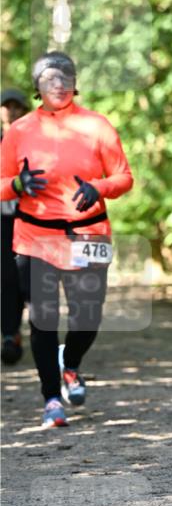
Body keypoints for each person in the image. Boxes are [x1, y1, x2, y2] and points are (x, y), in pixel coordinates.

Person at [0, 52, 133, 428]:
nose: (58, 83)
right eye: (49, 77)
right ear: (37, 86)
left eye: (66, 76)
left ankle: (70, 364)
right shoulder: (19, 131)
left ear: (76, 82)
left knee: (88, 316)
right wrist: (16, 185)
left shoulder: (97, 126)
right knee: (42, 319)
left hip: (88, 231)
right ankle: (51, 400)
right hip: (35, 235)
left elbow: (124, 177)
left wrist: (99, 187)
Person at [1, 88, 30, 364]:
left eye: (16, 106)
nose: (11, 110)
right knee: (7, 277)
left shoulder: (32, 142)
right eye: (5, 106)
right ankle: (9, 334)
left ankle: (16, 332)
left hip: (27, 218)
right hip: (1, 220)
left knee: (24, 277)